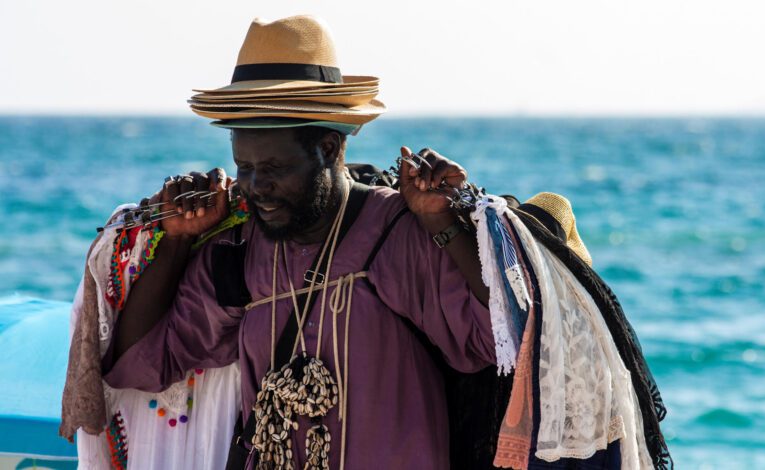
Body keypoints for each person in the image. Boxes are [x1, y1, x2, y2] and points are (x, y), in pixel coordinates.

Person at [103, 16, 496, 470]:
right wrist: (176, 240)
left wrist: (440, 221)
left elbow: (498, 340)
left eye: (273, 168)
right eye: (244, 168)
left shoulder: (396, 232)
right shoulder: (239, 251)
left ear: (329, 148)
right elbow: (140, 364)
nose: (255, 186)